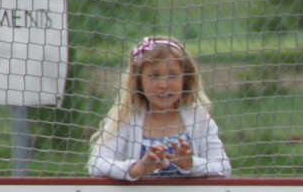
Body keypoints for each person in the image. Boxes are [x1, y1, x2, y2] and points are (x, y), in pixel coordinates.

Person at [88, 35, 232, 180]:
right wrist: (137, 168)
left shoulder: (198, 118)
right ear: (139, 81)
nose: (163, 85)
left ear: (185, 79)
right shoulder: (126, 117)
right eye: (153, 76)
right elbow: (96, 164)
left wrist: (190, 164)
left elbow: (223, 167)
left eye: (172, 75)